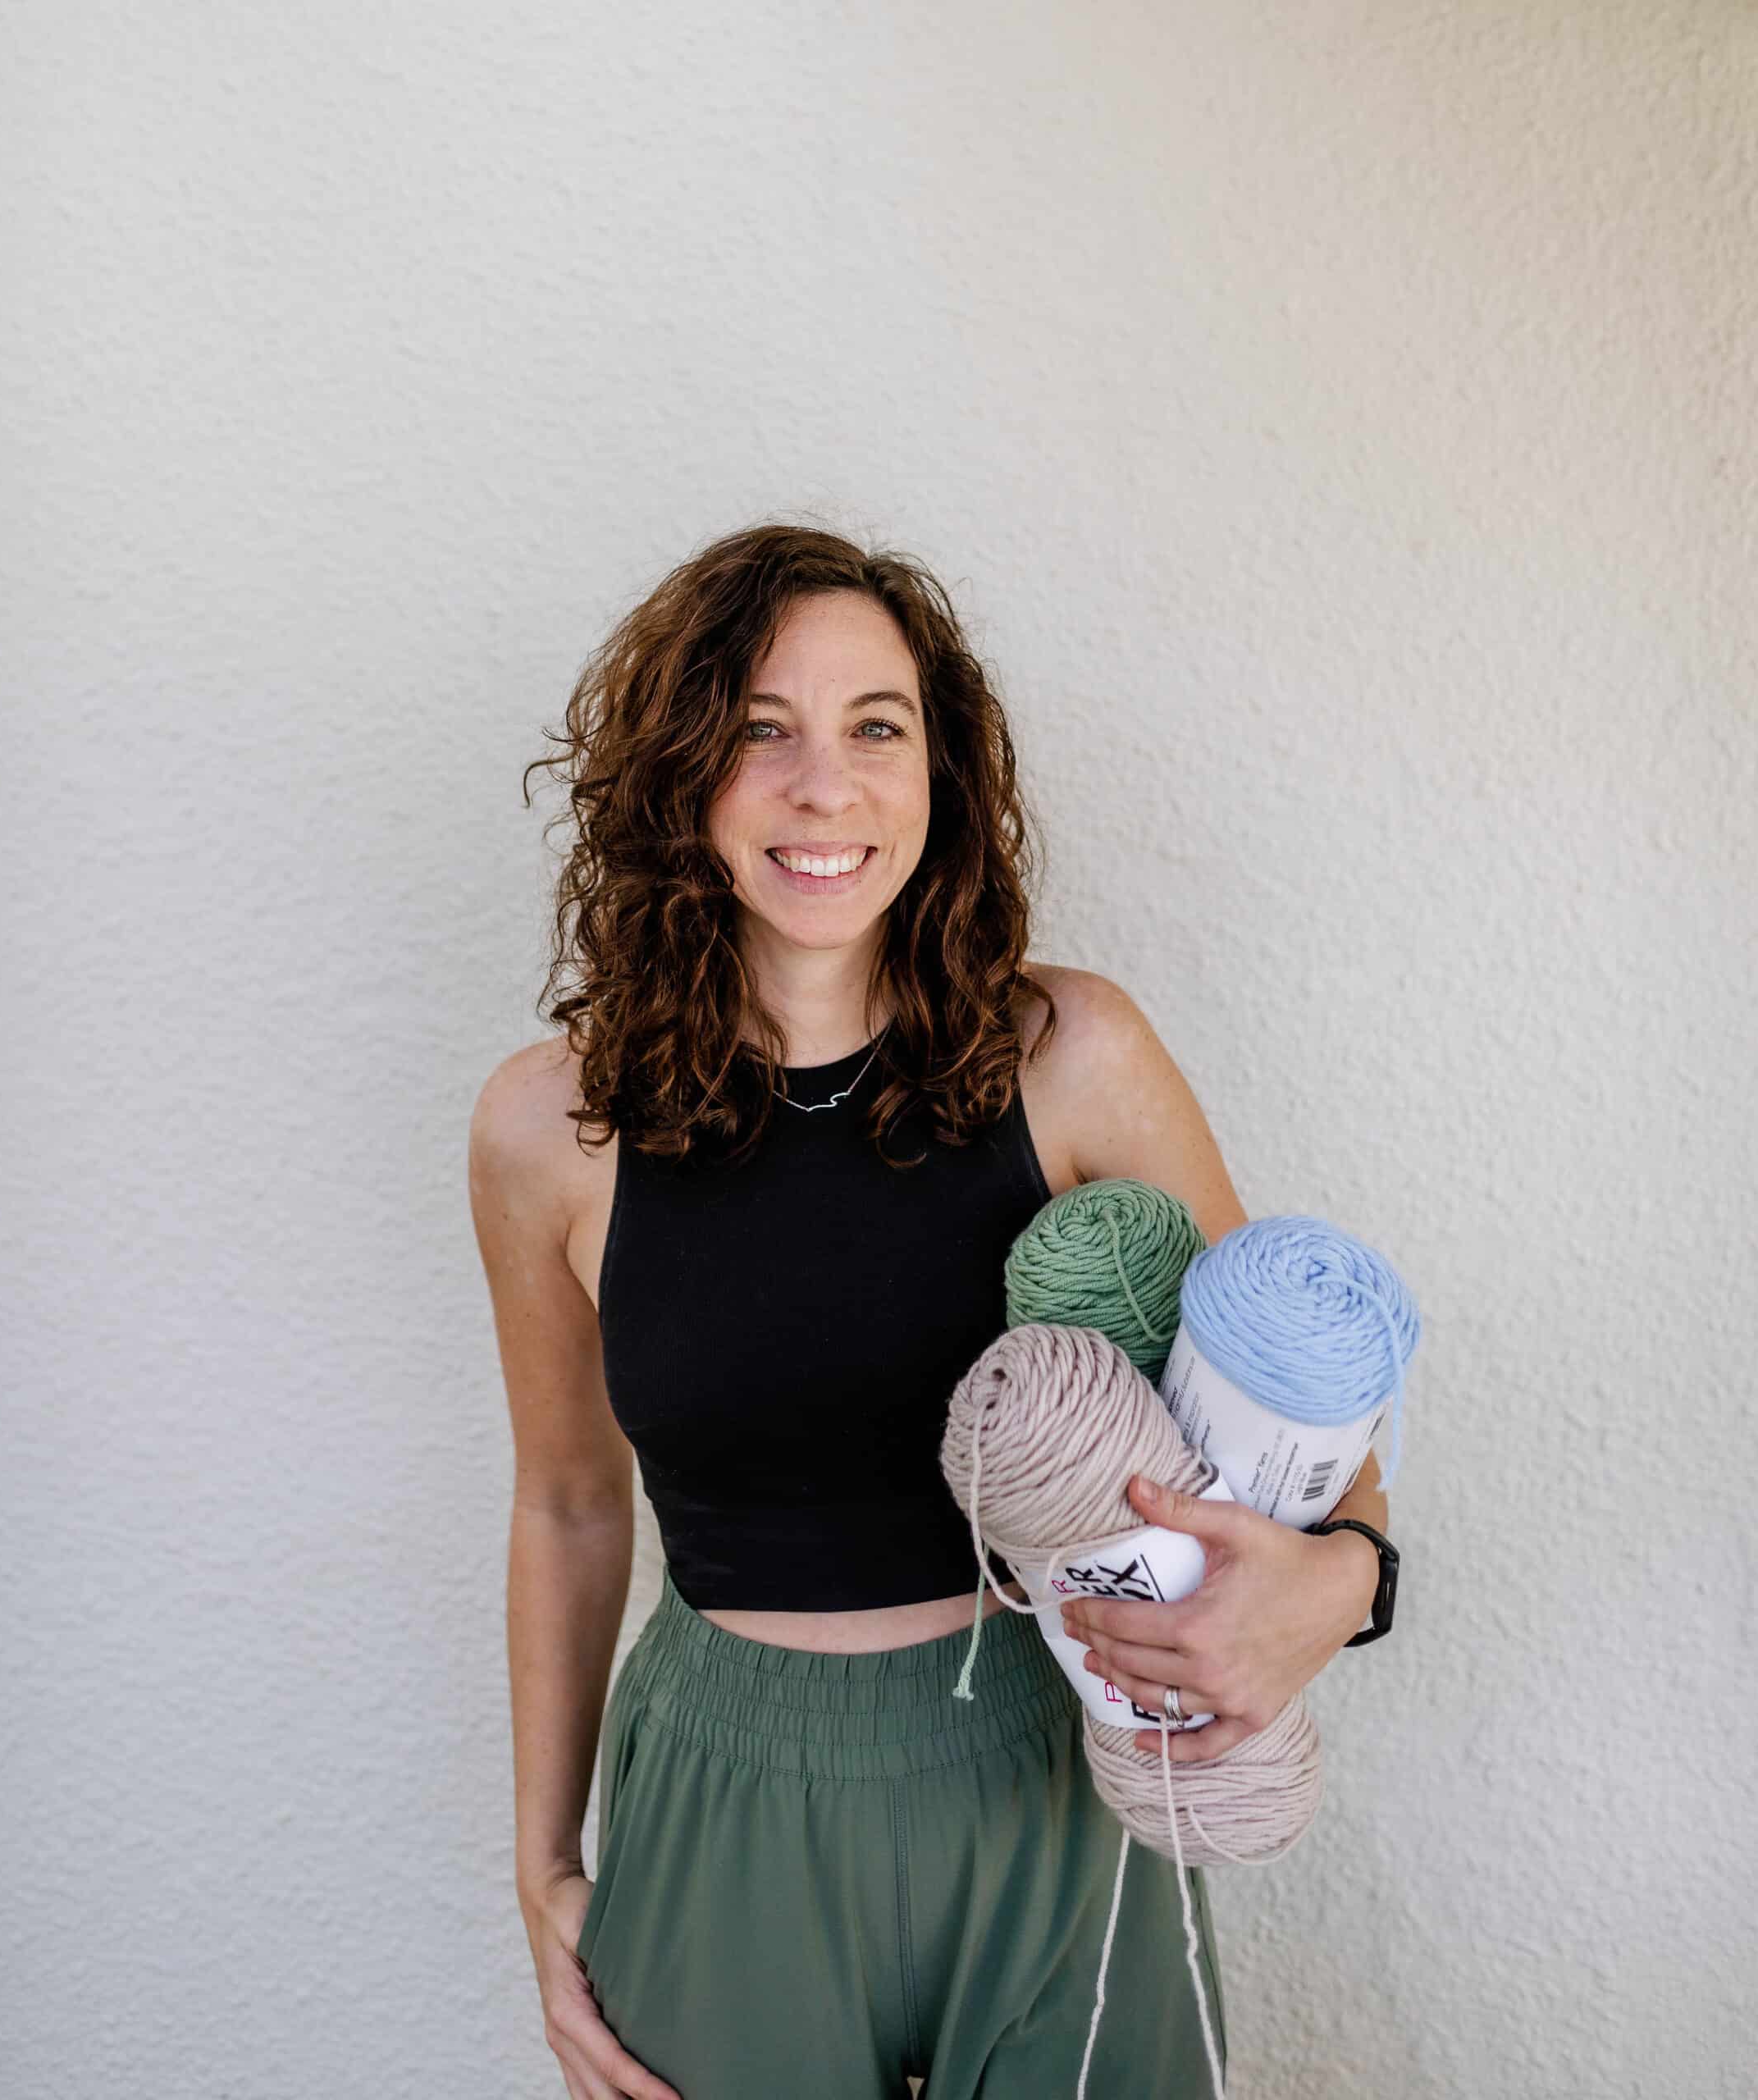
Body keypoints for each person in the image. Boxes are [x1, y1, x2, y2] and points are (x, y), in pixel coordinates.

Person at [468, 523, 1390, 2100]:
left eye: (875, 728)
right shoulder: (548, 1128)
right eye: (761, 730)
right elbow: (566, 1504)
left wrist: (1350, 1576)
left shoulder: (1075, 1056)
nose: (823, 787)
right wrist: (540, 1867)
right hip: (722, 1789)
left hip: (1056, 1768)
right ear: (680, 773)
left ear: (939, 772)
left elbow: (1301, 1404)